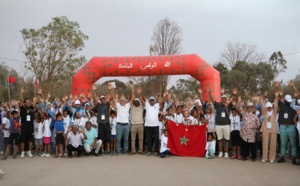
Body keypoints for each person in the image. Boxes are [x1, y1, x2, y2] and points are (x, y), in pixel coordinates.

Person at [137, 87, 164, 156]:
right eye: (151, 100)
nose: (152, 101)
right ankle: (149, 150)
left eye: (153, 100)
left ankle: (155, 151)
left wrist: (166, 95)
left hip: (156, 125)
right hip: (148, 125)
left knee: (156, 139)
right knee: (148, 139)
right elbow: (141, 99)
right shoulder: (147, 105)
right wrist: (139, 94)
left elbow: (163, 101)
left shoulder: (157, 105)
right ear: (149, 101)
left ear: (154, 101)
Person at [277, 81, 297, 164]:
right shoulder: (281, 105)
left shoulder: (292, 104)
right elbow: (276, 96)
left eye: (289, 101)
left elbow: (296, 94)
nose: (289, 102)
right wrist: (277, 88)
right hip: (282, 127)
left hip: (291, 126)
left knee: (293, 143)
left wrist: (293, 87)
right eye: (287, 101)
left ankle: (294, 158)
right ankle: (282, 157)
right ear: (284, 100)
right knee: (283, 143)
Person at [208, 88, 231, 158]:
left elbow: (229, 115)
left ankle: (226, 152)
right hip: (218, 125)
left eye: (225, 99)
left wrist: (226, 107)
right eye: (222, 99)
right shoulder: (217, 105)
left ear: (226, 100)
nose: (223, 100)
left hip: (227, 125)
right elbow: (212, 99)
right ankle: (221, 152)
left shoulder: (228, 106)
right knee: (220, 139)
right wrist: (209, 93)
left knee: (227, 139)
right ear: (221, 99)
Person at [111, 84, 133, 155]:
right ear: (120, 100)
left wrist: (132, 91)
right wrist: (112, 90)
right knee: (118, 139)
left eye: (123, 100)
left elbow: (132, 99)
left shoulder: (127, 106)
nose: (122, 101)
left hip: (126, 125)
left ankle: (126, 151)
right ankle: (118, 151)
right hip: (119, 125)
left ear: (125, 101)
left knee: (126, 139)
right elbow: (113, 98)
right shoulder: (117, 105)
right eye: (121, 100)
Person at [92, 85, 113, 155]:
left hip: (106, 123)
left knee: (107, 137)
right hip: (100, 123)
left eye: (104, 99)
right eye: (101, 99)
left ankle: (108, 149)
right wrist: (94, 91)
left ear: (105, 99)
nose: (103, 100)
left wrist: (110, 90)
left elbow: (111, 98)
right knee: (101, 137)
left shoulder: (107, 104)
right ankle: (103, 150)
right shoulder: (98, 105)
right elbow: (94, 99)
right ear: (100, 100)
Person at [260, 90, 278, 163]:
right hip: (265, 129)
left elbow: (276, 105)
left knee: (273, 144)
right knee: (265, 144)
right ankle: (264, 157)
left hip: (273, 130)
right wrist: (263, 97)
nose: (269, 108)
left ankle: (272, 158)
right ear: (267, 107)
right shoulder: (265, 112)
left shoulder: (274, 113)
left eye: (270, 107)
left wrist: (276, 97)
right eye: (268, 107)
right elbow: (262, 104)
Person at [19, 87, 37, 158]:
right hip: (24, 126)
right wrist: (21, 93)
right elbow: (20, 100)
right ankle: (23, 152)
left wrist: (39, 95)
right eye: (27, 102)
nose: (28, 103)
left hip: (30, 126)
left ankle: (29, 152)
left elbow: (35, 102)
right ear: (24, 103)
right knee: (23, 140)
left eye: (29, 102)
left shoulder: (31, 108)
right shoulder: (22, 108)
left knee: (30, 139)